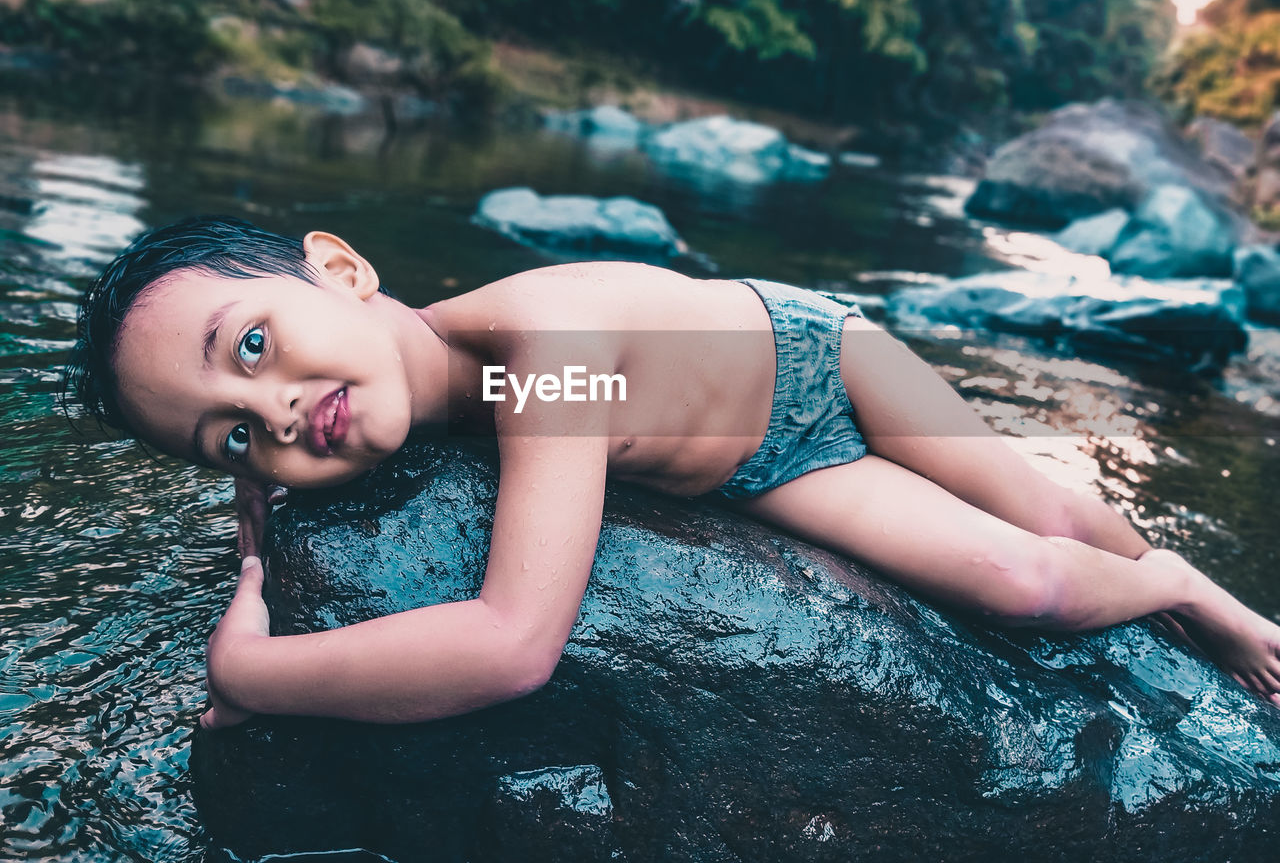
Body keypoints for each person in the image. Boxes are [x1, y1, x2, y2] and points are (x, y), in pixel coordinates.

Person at [63, 216, 1280, 729]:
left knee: (1052, 514)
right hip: (752, 464)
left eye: (255, 348)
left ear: (339, 268)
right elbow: (264, 482)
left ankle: (1177, 584)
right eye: (226, 431)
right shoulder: (348, 402)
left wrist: (252, 672)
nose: (274, 411)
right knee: (1028, 588)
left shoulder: (548, 355)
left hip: (816, 355)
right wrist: (254, 533)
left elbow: (510, 643)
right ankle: (1161, 585)